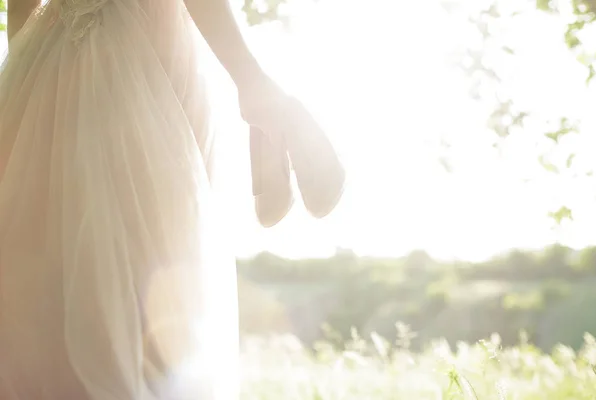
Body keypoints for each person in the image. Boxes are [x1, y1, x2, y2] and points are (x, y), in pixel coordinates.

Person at [0, 0, 345, 399]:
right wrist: (249, 78)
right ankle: (271, 116)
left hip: (52, 57)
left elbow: (23, 7)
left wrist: (22, 93)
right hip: (138, 56)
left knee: (44, 300)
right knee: (147, 297)